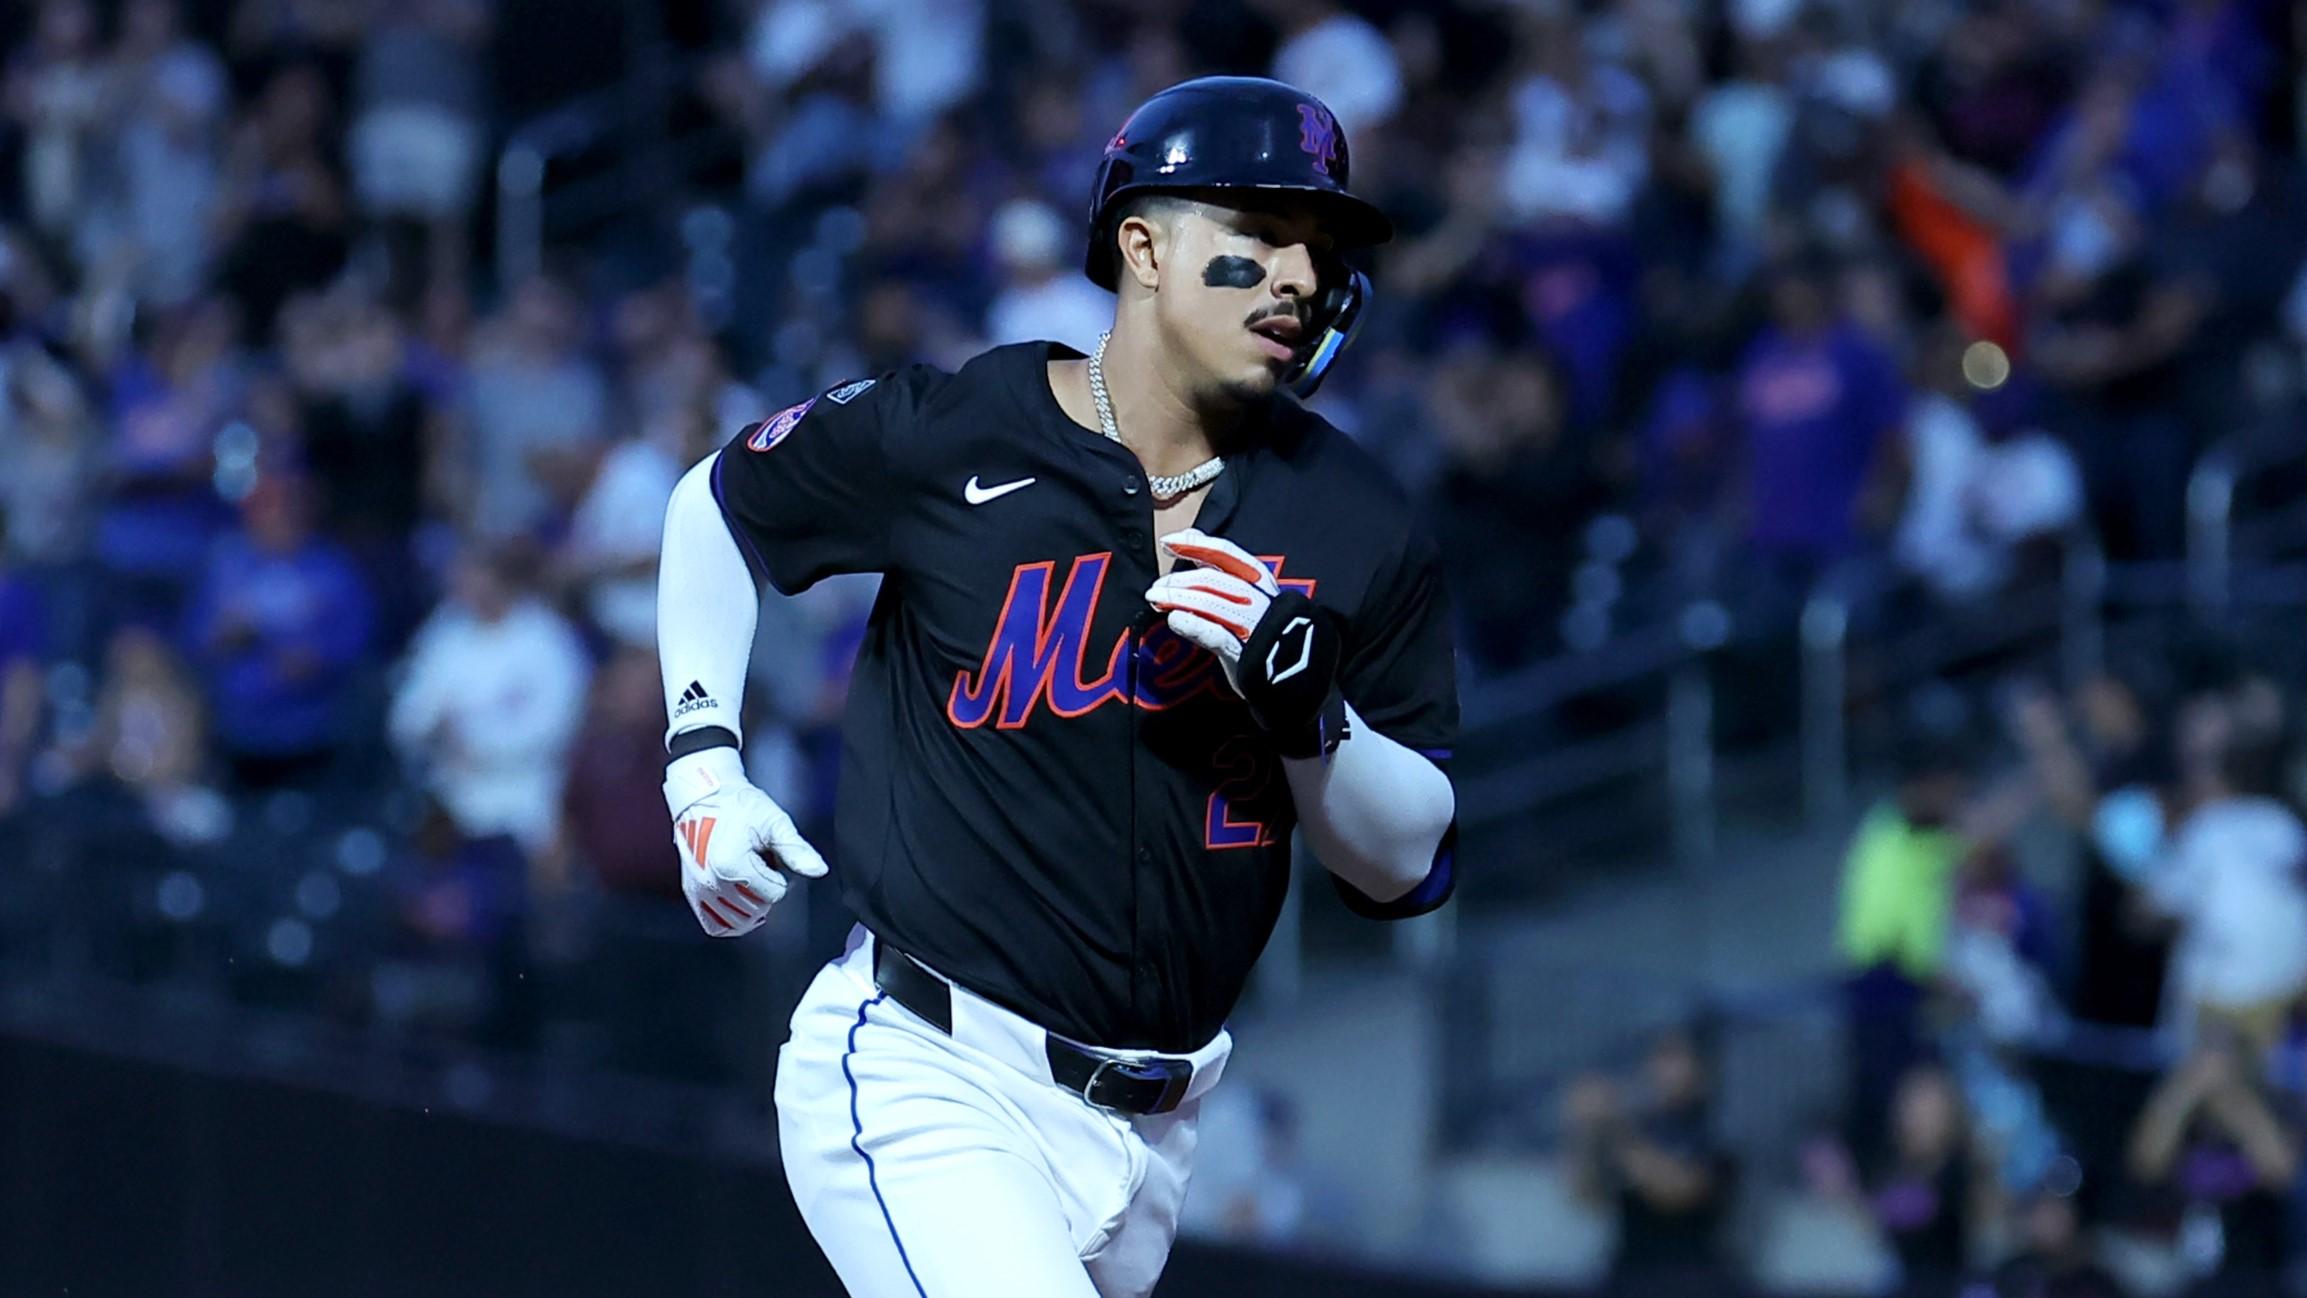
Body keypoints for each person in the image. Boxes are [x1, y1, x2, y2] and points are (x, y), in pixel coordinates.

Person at [653, 77, 1457, 1297]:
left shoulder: (1353, 521)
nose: (1297, 273)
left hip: (1161, 1130)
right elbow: (718, 504)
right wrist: (703, 761)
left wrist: (1316, 716)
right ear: (1141, 243)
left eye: (1319, 247)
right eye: (1257, 235)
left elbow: (1404, 857)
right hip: (934, 1063)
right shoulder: (969, 429)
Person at [1565, 1026, 1732, 1296]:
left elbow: (1677, 1192)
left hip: (1691, 1279)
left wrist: (1615, 1126)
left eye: (1674, 1058)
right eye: (1659, 1057)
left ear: (1700, 1069)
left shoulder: (1714, 1130)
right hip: (1630, 1277)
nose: (1663, 1069)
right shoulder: (1637, 1125)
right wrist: (1584, 1131)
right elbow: (1585, 1196)